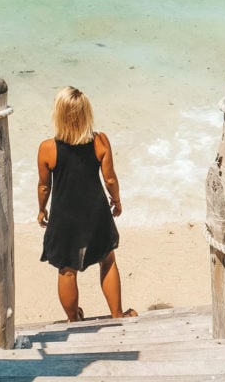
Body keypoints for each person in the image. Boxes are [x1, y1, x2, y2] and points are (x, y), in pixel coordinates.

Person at [37, 86, 137, 322]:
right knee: (108, 259)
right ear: (86, 113)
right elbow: (110, 178)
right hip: (95, 212)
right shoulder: (100, 142)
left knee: (67, 269)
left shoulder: (47, 149)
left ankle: (74, 321)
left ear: (58, 114)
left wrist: (42, 209)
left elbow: (44, 186)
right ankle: (116, 315)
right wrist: (117, 200)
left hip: (64, 216)